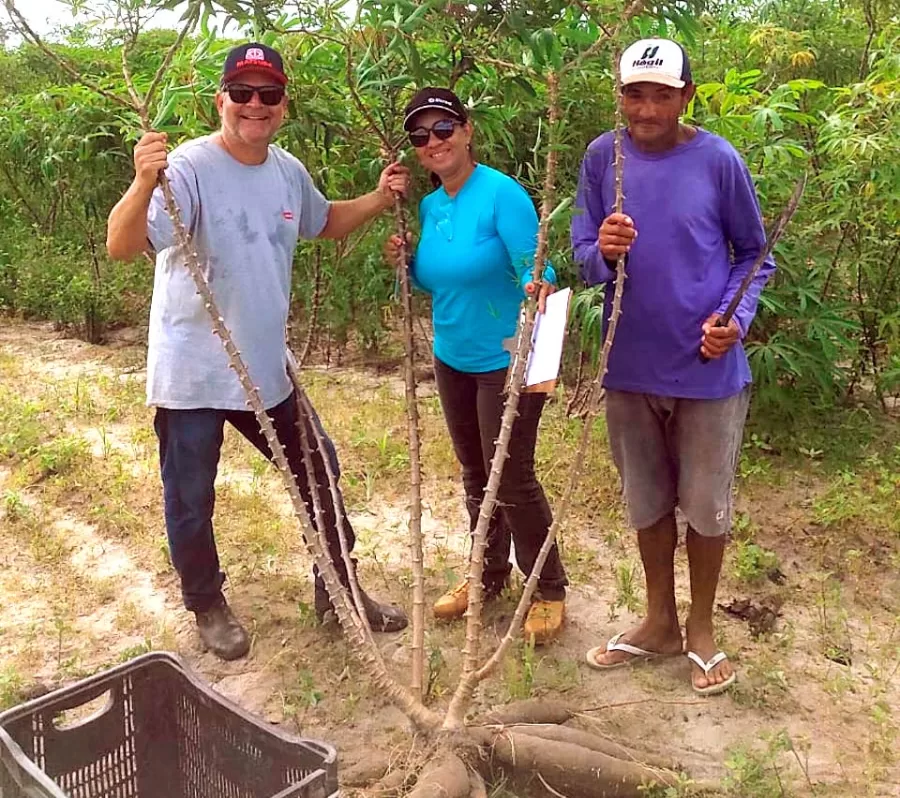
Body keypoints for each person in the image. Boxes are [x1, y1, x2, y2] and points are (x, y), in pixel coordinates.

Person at [106, 42, 409, 661]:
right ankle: (207, 604)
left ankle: (339, 586)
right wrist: (142, 182)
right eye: (241, 93)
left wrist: (379, 199)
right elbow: (120, 244)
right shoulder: (186, 169)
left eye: (268, 95)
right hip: (193, 371)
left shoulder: (286, 170)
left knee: (318, 470)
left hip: (266, 368)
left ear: (282, 106)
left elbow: (322, 223)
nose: (254, 105)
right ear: (222, 100)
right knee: (190, 495)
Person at [572, 38, 775, 694]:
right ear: (620, 95)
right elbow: (580, 254)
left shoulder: (718, 161)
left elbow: (754, 253)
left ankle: (701, 628)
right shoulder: (604, 158)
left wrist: (732, 322)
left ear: (688, 94)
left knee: (707, 505)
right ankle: (658, 621)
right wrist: (602, 250)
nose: (647, 107)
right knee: (647, 500)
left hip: (707, 371)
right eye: (636, 93)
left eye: (663, 93)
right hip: (628, 364)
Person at [384, 87, 569, 645]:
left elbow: (539, 265)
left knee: (510, 476)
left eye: (443, 130)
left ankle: (548, 588)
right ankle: (486, 576)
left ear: (467, 131)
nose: (433, 142)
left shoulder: (501, 194)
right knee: (474, 474)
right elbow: (439, 278)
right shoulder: (431, 205)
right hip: (452, 357)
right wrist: (409, 263)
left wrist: (541, 284)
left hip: (505, 358)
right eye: (421, 136)